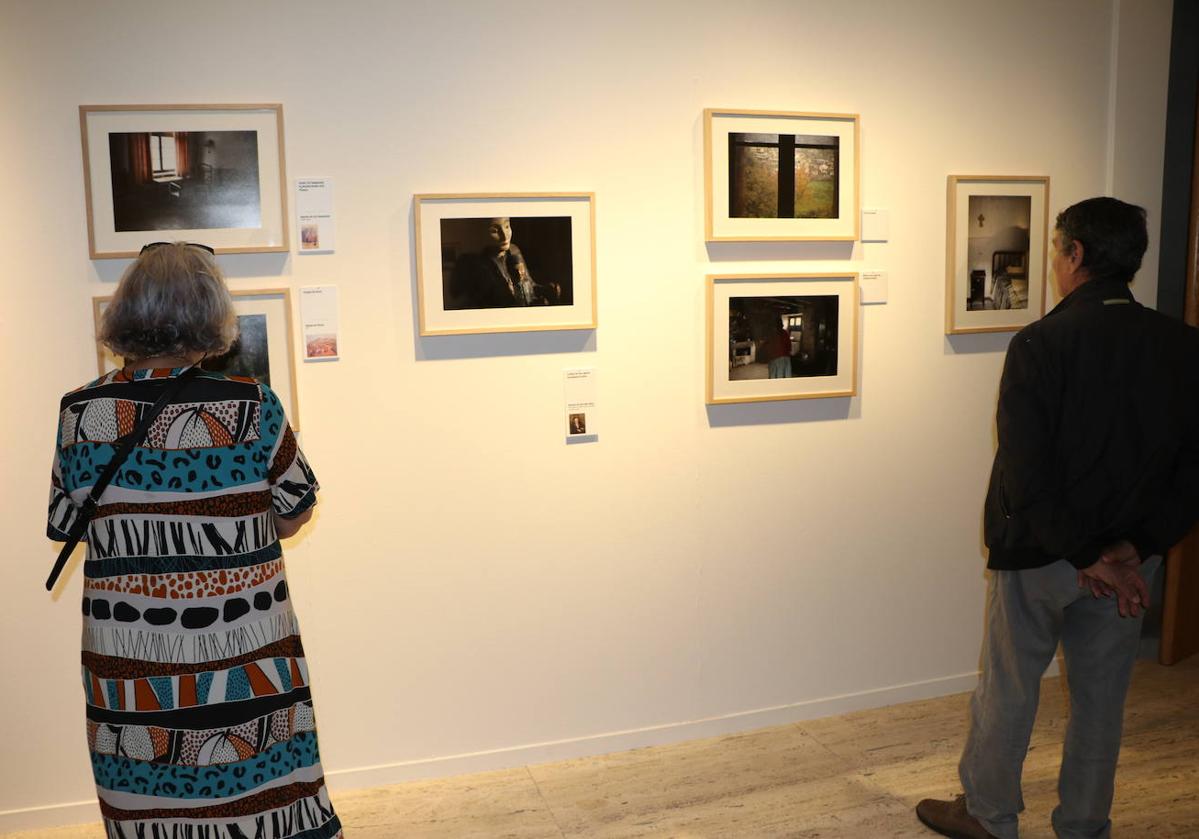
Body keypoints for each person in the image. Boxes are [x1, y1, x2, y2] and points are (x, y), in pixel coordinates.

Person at [917, 197, 1199, 839]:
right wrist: (1133, 548)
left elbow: (1025, 471)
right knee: (1102, 702)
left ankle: (989, 816)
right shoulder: (1184, 347)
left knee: (1011, 689)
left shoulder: (1042, 343)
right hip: (1127, 564)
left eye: (1057, 250)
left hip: (1042, 557)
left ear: (1075, 255)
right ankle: (1084, 824)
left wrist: (1084, 554)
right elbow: (1193, 470)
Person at [47, 243, 343, 837]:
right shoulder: (251, 405)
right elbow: (293, 515)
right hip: (243, 646)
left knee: (148, 804)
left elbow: (67, 522)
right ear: (212, 314)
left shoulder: (80, 413)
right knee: (260, 799)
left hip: (131, 658)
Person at [449, 217, 560, 308]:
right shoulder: (477, 264)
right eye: (494, 231)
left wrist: (544, 289)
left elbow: (528, 283)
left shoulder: (514, 250)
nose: (505, 235)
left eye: (507, 226)